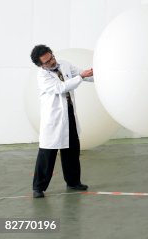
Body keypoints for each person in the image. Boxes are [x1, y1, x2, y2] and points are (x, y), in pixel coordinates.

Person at [30, 45, 94, 198]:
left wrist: (100, 75)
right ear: (41, 65)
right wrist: (81, 77)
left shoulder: (64, 64)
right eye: (47, 62)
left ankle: (73, 182)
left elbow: (81, 73)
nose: (52, 62)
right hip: (53, 118)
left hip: (69, 113)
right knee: (47, 154)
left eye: (51, 57)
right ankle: (38, 187)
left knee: (72, 150)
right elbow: (61, 87)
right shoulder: (42, 76)